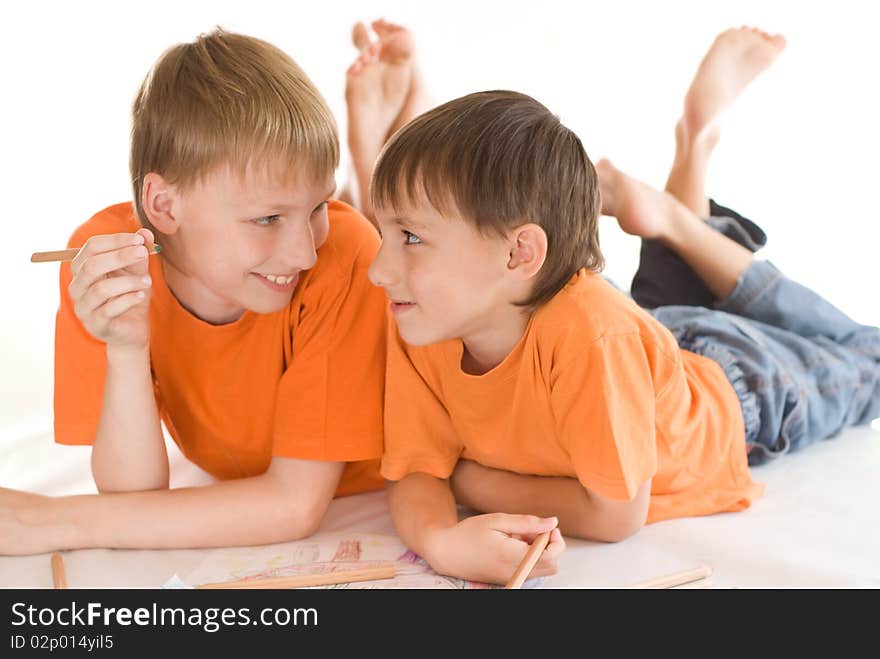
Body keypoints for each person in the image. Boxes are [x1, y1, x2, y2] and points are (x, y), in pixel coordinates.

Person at [367, 27, 880, 584]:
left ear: (518, 253)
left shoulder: (593, 336)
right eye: (383, 234)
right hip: (648, 353)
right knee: (643, 319)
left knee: (872, 356)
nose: (377, 270)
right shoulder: (421, 316)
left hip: (740, 388)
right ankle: (691, 155)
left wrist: (464, 479)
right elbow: (417, 472)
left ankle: (681, 206)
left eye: (411, 238)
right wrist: (441, 540)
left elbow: (614, 517)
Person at [1, 27, 399, 555]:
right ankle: (371, 153)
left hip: (419, 441)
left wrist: (54, 520)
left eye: (317, 207)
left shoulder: (343, 256)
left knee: (389, 240)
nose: (304, 254)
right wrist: (126, 350)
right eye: (268, 218)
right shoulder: (103, 263)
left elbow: (294, 505)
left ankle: (375, 153)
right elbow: (130, 500)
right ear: (164, 206)